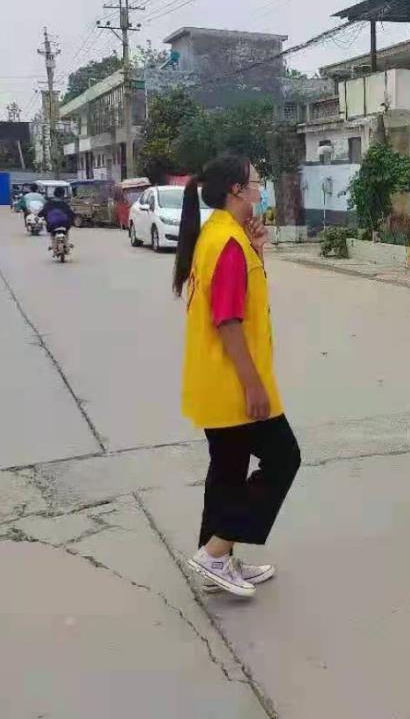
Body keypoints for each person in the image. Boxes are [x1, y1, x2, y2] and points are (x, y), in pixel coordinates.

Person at [173, 154, 301, 598]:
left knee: (227, 471)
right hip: (233, 384)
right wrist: (253, 385)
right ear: (236, 190)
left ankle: (216, 561)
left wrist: (257, 250)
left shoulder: (220, 234)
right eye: (256, 182)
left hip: (215, 380)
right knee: (284, 458)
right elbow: (227, 320)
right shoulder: (227, 242)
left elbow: (238, 298)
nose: (260, 189)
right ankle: (215, 552)